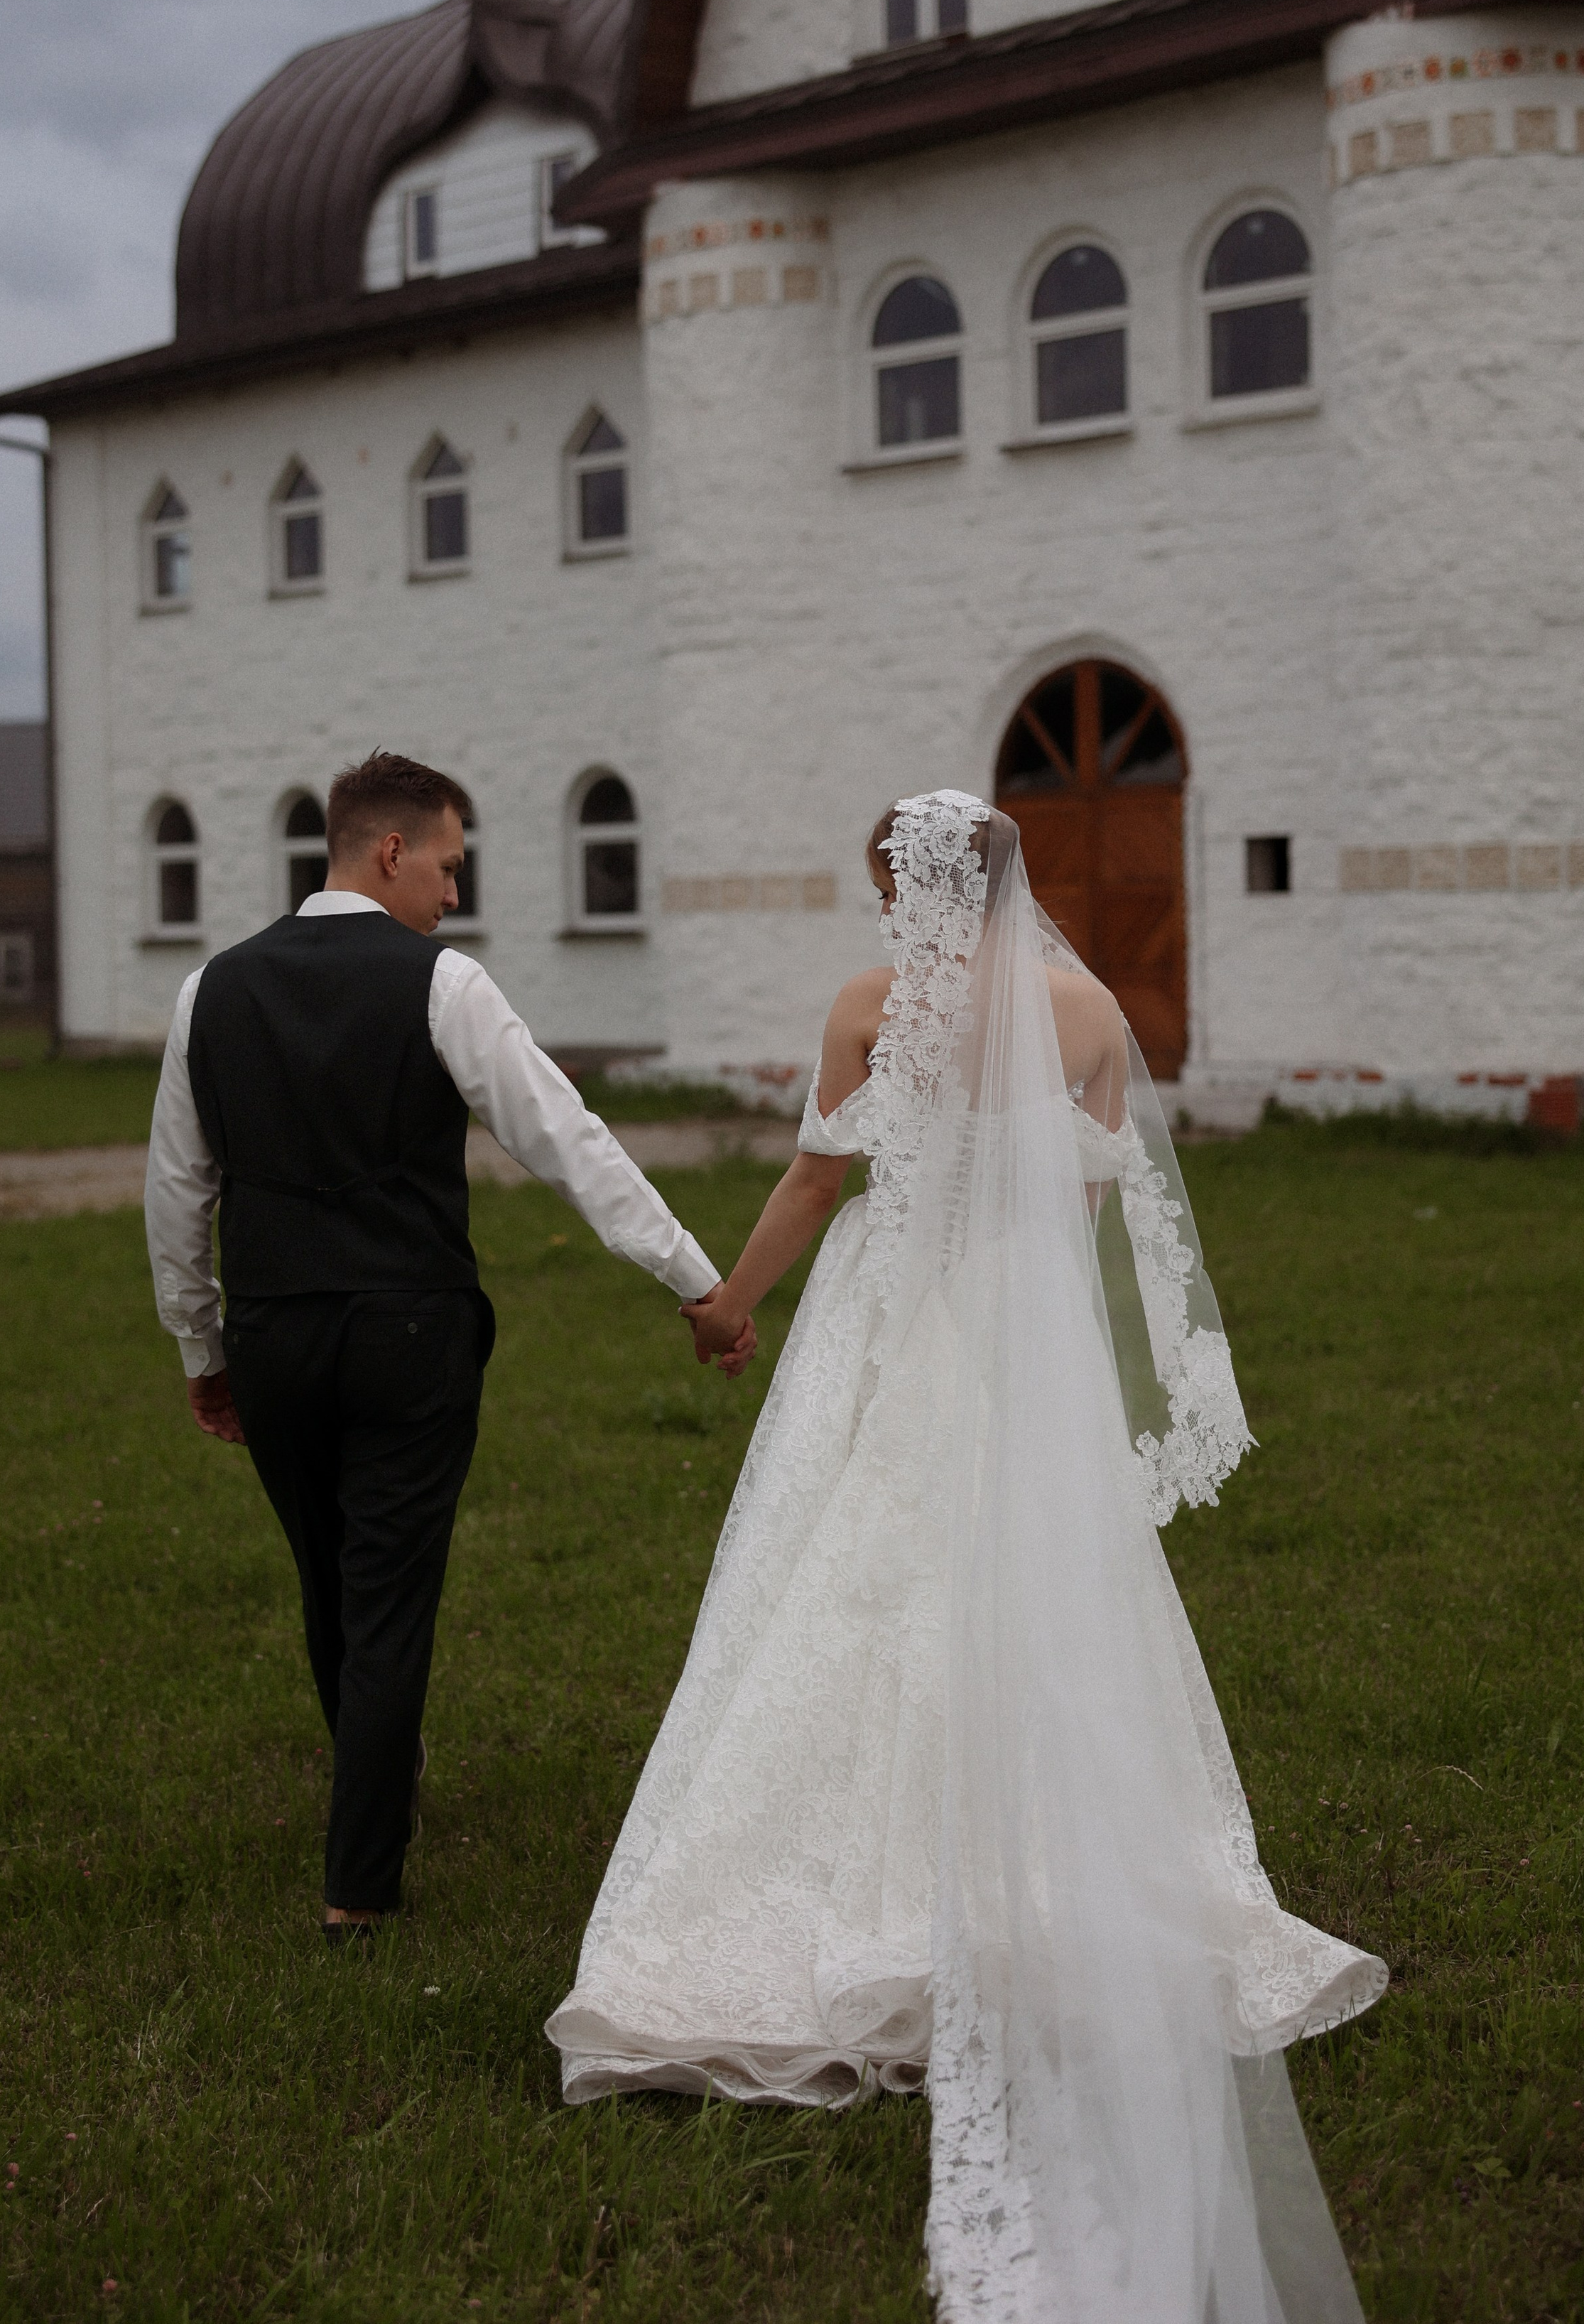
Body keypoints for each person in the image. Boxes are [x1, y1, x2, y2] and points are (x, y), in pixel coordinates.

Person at [548, 790, 1386, 2322]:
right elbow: (1087, 1197)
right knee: (1026, 1585)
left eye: (885, 882)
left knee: (848, 1566)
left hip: (889, 1310)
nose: (880, 907)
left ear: (909, 881)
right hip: (1019, 1322)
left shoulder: (873, 1005)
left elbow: (817, 1177)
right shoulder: (1088, 1013)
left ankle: (831, 1876)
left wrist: (727, 1305)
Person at [144, 749, 752, 1938]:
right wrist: (695, 1279)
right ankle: (359, 1886)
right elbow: (563, 1141)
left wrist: (201, 1349)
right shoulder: (445, 985)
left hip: (273, 1336)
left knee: (333, 1583)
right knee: (384, 1597)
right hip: (405, 1334)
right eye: (448, 864)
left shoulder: (208, 990)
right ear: (390, 851)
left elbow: (178, 1190)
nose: (453, 894)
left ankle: (370, 1800)